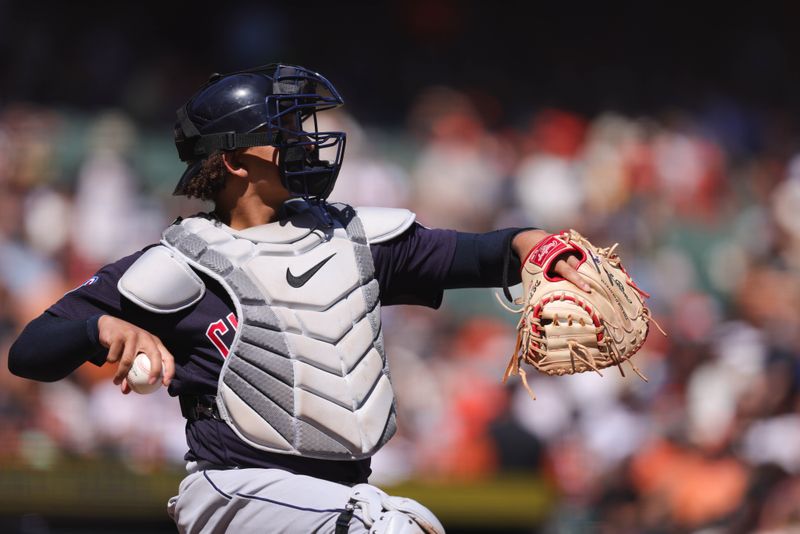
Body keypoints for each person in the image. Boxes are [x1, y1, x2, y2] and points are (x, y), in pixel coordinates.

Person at [8, 64, 589, 533]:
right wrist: (99, 330)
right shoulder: (177, 263)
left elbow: (477, 254)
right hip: (237, 491)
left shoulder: (349, 239)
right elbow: (29, 351)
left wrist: (533, 245)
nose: (304, 141)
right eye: (282, 132)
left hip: (339, 495)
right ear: (234, 161)